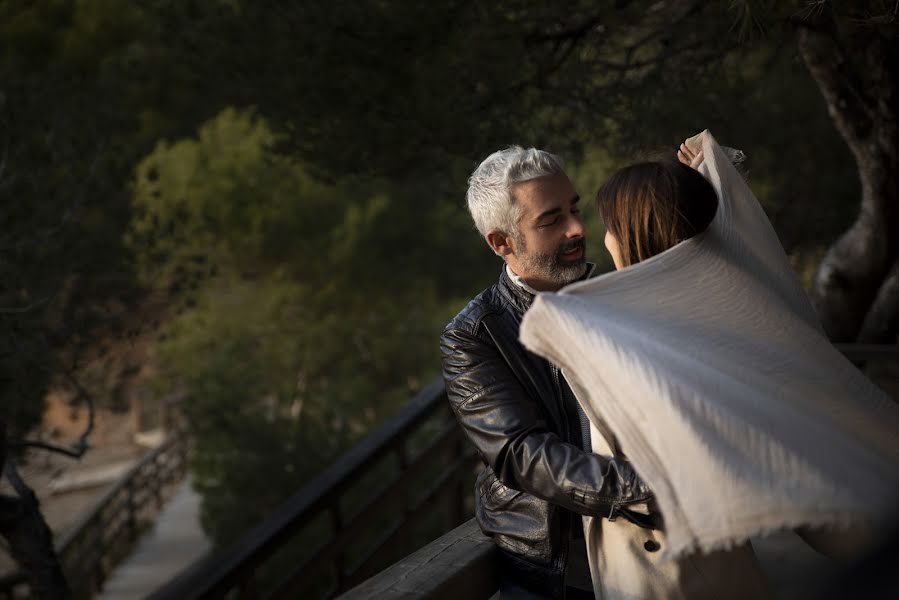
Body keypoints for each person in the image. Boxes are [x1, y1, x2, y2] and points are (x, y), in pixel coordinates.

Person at [440, 146, 657, 600]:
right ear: (502, 243)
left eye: (575, 209)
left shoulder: (617, 297)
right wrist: (652, 489)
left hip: (651, 551)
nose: (578, 228)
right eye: (551, 220)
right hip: (557, 570)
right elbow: (522, 453)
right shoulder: (473, 335)